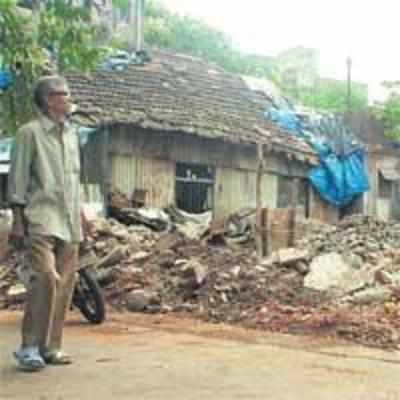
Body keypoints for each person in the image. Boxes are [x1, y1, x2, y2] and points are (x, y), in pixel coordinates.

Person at [8, 75, 87, 371]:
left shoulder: (71, 135)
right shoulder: (29, 133)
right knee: (45, 277)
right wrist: (17, 219)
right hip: (40, 215)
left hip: (69, 218)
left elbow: (75, 178)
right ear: (49, 99)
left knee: (66, 283)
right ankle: (29, 346)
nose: (69, 98)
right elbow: (18, 178)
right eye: (63, 94)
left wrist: (81, 214)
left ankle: (51, 347)